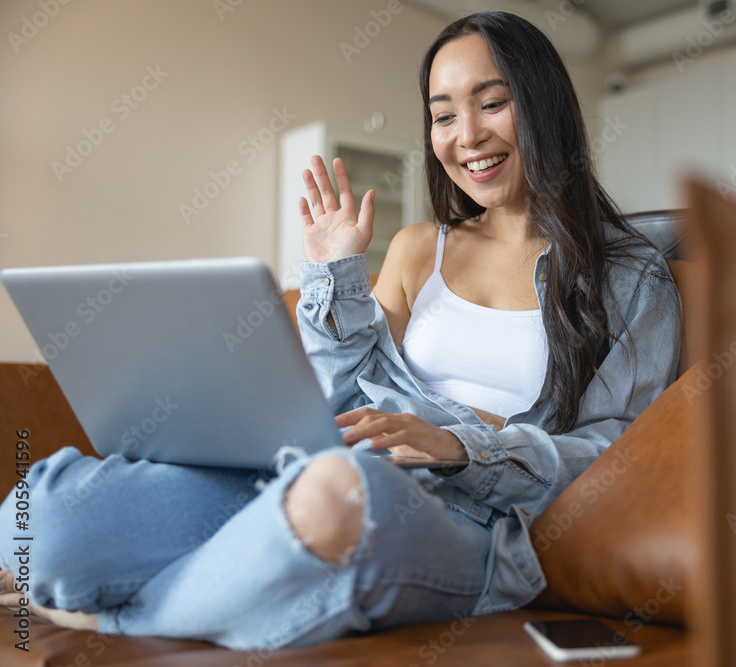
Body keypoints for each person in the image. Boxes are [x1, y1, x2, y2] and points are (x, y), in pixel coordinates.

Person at [0, 11, 680, 649]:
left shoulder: (629, 276)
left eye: (491, 102)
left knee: (337, 497)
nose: (466, 135)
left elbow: (610, 454)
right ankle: (252, 573)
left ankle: (104, 616)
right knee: (47, 517)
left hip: (464, 519)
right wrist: (333, 274)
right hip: (319, 467)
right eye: (443, 115)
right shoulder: (420, 248)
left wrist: (459, 446)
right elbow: (338, 393)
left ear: (544, 106)